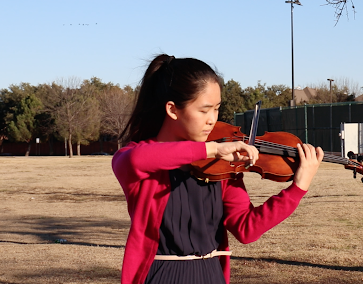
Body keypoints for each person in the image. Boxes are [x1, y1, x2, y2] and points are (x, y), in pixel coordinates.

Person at [111, 54, 324, 284]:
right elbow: (137, 160)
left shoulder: (222, 166)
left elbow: (247, 229)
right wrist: (212, 149)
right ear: (173, 110)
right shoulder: (136, 159)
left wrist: (298, 188)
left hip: (211, 275)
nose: (212, 119)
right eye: (204, 110)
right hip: (162, 276)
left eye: (216, 109)